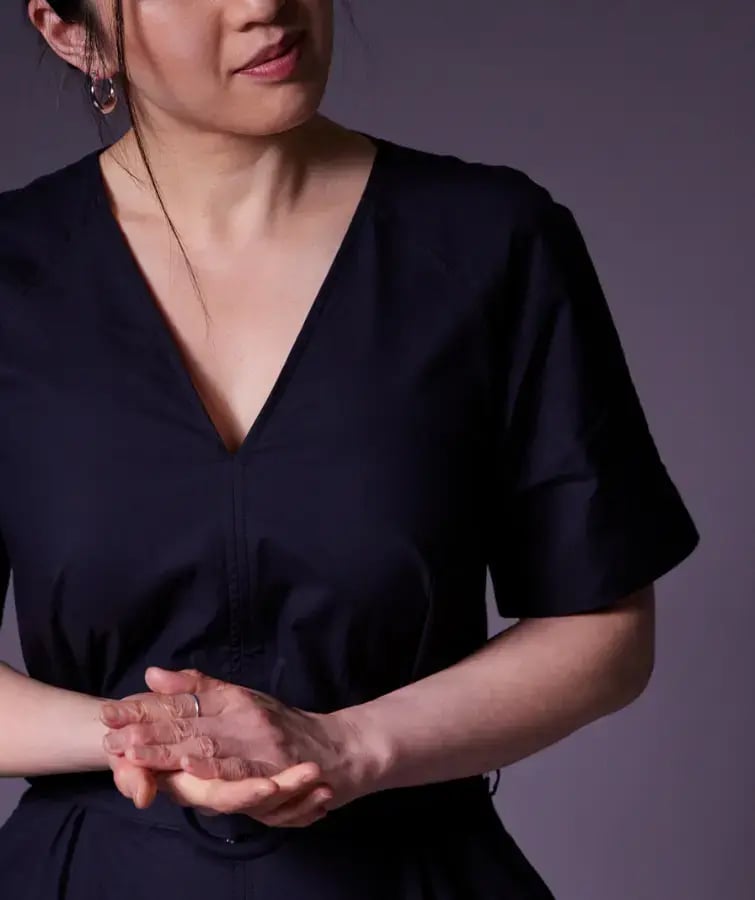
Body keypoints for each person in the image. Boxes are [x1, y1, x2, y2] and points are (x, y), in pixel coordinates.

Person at [0, 1, 700, 898]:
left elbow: (602, 630)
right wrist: (150, 736)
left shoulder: (490, 239)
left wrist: (345, 746)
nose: (263, 5)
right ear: (70, 31)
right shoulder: (10, 272)